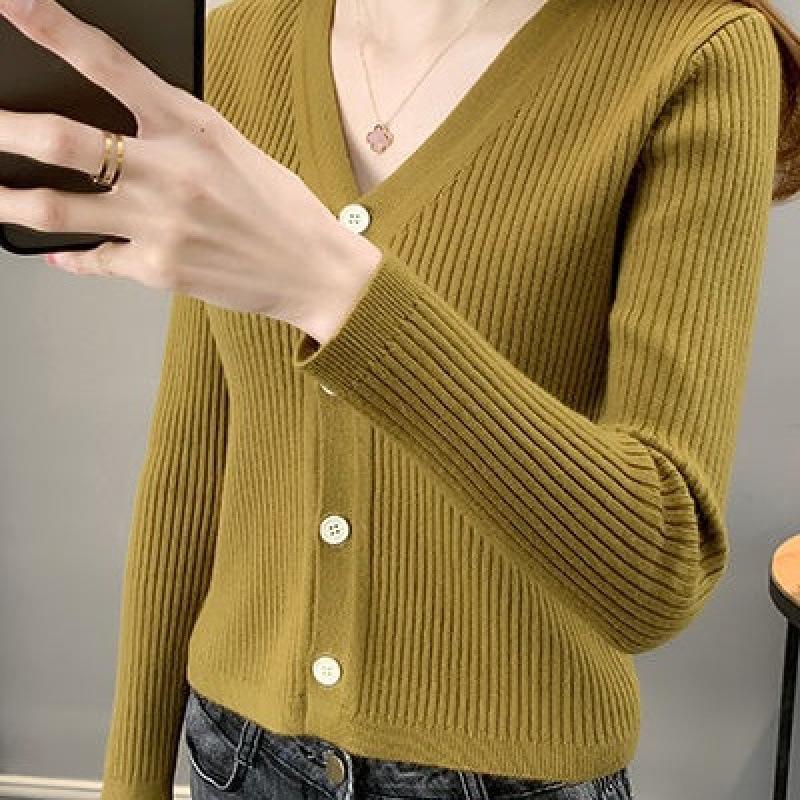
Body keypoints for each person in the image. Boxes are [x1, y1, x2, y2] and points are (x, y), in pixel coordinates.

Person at [1, 0, 791, 796]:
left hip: (509, 778)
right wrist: (132, 781)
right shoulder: (242, 39)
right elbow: (192, 465)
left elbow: (658, 569)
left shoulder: (695, 51)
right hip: (237, 757)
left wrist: (334, 289)